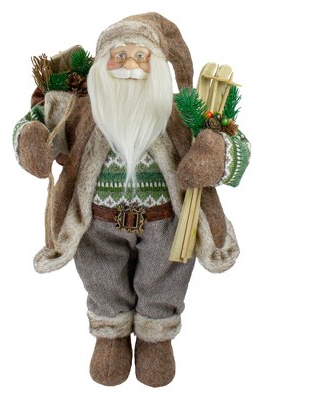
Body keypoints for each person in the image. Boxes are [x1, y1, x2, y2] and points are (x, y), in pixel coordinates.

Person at [13, 12, 247, 387]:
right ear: (101, 64)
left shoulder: (181, 112)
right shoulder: (80, 109)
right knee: (101, 276)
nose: (130, 65)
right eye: (119, 55)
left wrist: (215, 155)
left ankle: (157, 336)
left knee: (164, 276)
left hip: (166, 223)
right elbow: (37, 122)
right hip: (98, 223)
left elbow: (236, 146)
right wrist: (31, 141)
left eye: (141, 55)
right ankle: (111, 334)